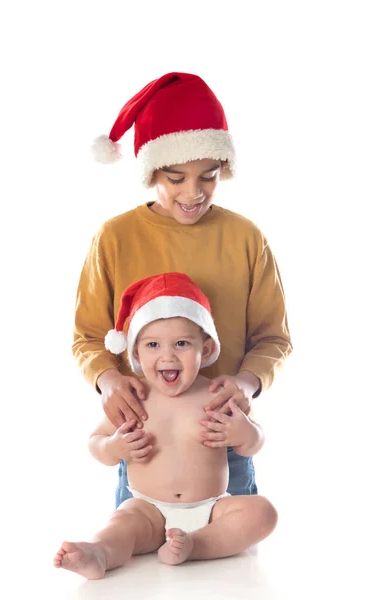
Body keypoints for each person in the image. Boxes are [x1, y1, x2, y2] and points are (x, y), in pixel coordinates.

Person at [73, 72, 292, 508]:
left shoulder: (245, 238)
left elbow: (274, 338)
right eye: (176, 179)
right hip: (145, 441)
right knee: (139, 553)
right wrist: (110, 379)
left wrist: (246, 386)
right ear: (151, 168)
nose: (193, 194)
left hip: (221, 435)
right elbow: (88, 337)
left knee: (230, 558)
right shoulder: (114, 238)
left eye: (208, 177)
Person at [55, 273, 278, 579]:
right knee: (121, 524)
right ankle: (99, 553)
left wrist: (244, 433)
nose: (167, 355)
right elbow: (95, 442)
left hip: (212, 510)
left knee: (262, 513)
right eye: (153, 344)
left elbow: (255, 440)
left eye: (182, 343)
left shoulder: (214, 394)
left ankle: (195, 545)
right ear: (135, 353)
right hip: (148, 509)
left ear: (207, 349)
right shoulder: (135, 398)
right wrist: (114, 447)